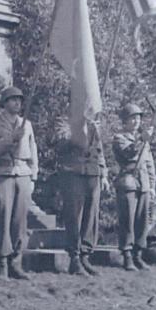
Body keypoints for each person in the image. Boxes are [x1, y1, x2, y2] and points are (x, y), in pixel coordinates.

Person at [0, 86, 37, 280]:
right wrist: (9, 139)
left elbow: (33, 151)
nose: (17, 103)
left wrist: (33, 177)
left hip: (22, 174)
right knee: (3, 219)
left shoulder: (26, 124)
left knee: (20, 221)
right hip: (3, 173)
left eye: (19, 100)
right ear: (4, 103)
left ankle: (17, 261)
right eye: (13, 100)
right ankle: (2, 262)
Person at [56, 117, 109, 276]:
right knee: (74, 217)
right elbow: (59, 144)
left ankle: (85, 255)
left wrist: (104, 174)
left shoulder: (93, 123)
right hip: (73, 173)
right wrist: (78, 131)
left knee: (91, 217)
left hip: (93, 174)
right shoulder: (64, 122)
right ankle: (75, 258)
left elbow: (99, 150)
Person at [112, 103, 156, 271]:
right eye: (132, 118)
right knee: (127, 221)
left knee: (142, 221)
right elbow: (128, 153)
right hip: (128, 182)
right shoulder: (119, 137)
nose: (137, 121)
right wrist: (141, 139)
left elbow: (150, 165)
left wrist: (152, 186)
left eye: (138, 118)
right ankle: (127, 255)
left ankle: (138, 254)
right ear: (125, 121)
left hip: (143, 183)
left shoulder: (144, 140)